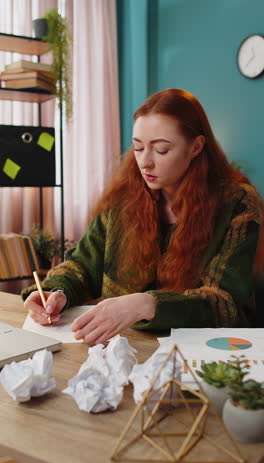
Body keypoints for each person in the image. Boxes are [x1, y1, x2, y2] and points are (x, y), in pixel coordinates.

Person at [22, 88, 264, 344]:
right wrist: (57, 290)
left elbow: (224, 303)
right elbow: (83, 265)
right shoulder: (123, 197)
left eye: (161, 150)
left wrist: (146, 305)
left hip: (206, 352)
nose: (145, 162)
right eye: (138, 148)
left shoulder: (235, 203)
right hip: (125, 345)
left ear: (196, 147)